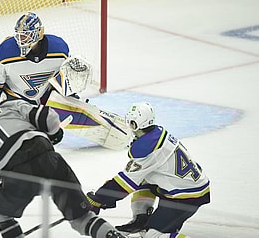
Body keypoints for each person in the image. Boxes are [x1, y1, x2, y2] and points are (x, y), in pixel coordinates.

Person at [0, 91, 125, 238]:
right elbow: (47, 117)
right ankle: (111, 234)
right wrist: (53, 134)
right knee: (82, 219)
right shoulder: (9, 105)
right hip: (49, 160)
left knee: (0, 214)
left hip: (16, 174)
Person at [86, 102, 211, 238]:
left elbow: (124, 184)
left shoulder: (148, 147)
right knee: (143, 177)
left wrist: (97, 199)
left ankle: (157, 228)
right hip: (180, 187)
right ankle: (141, 219)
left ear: (134, 123)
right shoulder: (156, 133)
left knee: (152, 236)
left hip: (186, 196)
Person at [0, 11, 89, 105]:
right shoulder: (4, 51)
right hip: (15, 102)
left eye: (26, 35)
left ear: (39, 33)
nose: (21, 40)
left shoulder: (59, 48)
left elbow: (64, 76)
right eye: (19, 35)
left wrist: (70, 91)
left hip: (46, 100)